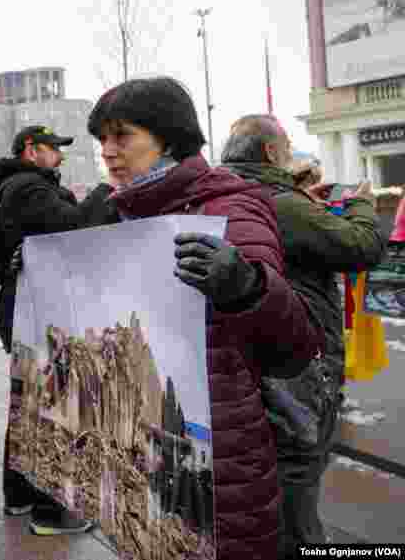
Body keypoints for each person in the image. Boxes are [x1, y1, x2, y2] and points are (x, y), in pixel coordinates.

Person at [83, 77, 324, 560]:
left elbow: (294, 346)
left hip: (223, 462)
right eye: (101, 139)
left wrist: (246, 286)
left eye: (121, 135)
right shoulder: (120, 213)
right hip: (143, 456)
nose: (108, 151)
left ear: (168, 138)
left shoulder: (228, 209)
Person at [220, 114, 385, 557]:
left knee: (270, 464)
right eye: (288, 147)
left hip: (246, 355)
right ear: (273, 152)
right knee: (299, 464)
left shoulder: (228, 195)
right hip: (297, 356)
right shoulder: (280, 203)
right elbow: (361, 247)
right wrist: (362, 204)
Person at [0, 124, 112, 536]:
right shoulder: (29, 188)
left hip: (28, 306)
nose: (59, 156)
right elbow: (75, 229)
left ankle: (19, 495)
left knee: (29, 404)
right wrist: (105, 190)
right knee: (52, 408)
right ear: (31, 150)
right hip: (40, 310)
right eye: (53, 149)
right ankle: (50, 511)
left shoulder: (18, 186)